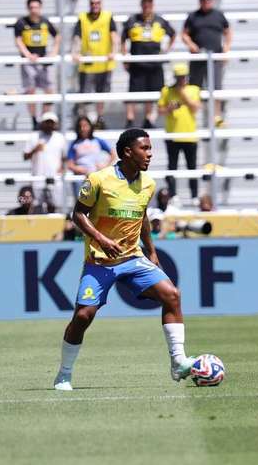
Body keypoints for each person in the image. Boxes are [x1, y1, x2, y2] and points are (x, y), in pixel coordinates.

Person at [52, 128, 197, 391]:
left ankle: (178, 362)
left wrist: (151, 250)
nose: (150, 154)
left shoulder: (149, 184)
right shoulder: (98, 179)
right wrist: (101, 239)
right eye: (145, 148)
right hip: (100, 262)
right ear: (128, 152)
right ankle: (64, 373)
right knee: (83, 316)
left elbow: (141, 217)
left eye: (151, 148)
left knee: (172, 295)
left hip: (133, 257)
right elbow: (78, 215)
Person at [121, 0, 176, 129]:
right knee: (133, 93)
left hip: (154, 63)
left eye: (149, 4)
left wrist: (166, 50)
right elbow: (123, 39)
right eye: (145, 4)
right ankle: (130, 120)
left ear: (152, 5)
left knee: (153, 93)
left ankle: (148, 119)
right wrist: (125, 56)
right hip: (137, 63)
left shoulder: (160, 20)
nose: (147, 7)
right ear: (141, 5)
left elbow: (173, 34)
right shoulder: (133, 20)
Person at [181, 0, 231, 125]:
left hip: (215, 57)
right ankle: (193, 116)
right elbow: (184, 34)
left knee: (216, 87)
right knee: (194, 87)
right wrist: (191, 45)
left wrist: (226, 49)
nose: (206, 2)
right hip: (198, 57)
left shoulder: (218, 15)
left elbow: (228, 32)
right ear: (200, 1)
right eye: (203, 0)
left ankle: (217, 117)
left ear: (212, 0)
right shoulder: (193, 16)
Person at [72, 0, 118, 129]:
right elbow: (77, 37)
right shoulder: (83, 18)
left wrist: (114, 51)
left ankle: (99, 118)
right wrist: (75, 52)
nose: (95, 5)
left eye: (97, 3)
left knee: (101, 94)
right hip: (88, 64)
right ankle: (84, 121)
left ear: (101, 4)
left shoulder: (107, 17)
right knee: (85, 94)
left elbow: (114, 36)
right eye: (92, 3)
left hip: (104, 63)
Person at [14, 0, 61, 130]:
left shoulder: (45, 21)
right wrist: (28, 55)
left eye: (36, 7)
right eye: (31, 7)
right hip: (29, 62)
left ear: (40, 8)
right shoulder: (21, 22)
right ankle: (34, 119)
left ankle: (45, 118)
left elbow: (57, 35)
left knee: (49, 90)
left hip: (43, 61)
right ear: (28, 8)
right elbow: (18, 41)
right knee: (31, 91)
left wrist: (54, 52)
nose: (34, 10)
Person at [158, 62, 201, 200]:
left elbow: (195, 108)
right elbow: (160, 111)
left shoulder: (194, 89)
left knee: (192, 168)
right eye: (178, 77)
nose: (181, 79)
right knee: (172, 167)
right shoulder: (166, 91)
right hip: (172, 135)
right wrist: (169, 109)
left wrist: (182, 94)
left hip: (190, 135)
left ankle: (194, 196)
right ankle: (173, 195)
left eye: (183, 77)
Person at [23, 111, 66, 208]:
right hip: (38, 179)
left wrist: (63, 168)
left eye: (51, 122)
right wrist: (35, 150)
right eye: (47, 122)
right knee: (38, 207)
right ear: (42, 123)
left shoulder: (60, 137)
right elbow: (25, 156)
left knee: (55, 206)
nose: (49, 125)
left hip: (55, 179)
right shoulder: (34, 137)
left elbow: (65, 157)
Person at [66, 116, 116, 198]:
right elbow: (70, 164)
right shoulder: (74, 144)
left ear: (90, 126)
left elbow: (113, 154)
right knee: (81, 204)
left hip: (96, 176)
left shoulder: (97, 141)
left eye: (85, 126)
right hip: (81, 178)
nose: (83, 129)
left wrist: (105, 166)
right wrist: (78, 169)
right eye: (80, 126)